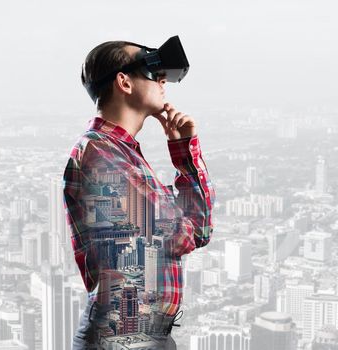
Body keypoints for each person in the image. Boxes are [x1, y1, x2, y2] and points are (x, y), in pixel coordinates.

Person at [62, 38, 215, 349]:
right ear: (124, 82)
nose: (163, 80)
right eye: (152, 70)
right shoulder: (101, 155)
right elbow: (186, 235)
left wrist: (183, 151)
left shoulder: (121, 153)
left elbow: (199, 229)